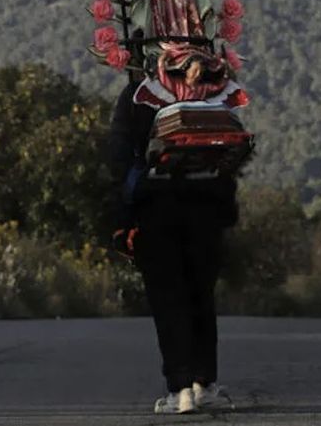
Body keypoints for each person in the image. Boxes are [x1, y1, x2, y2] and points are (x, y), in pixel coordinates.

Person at [109, 50, 240, 415]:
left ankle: (179, 388)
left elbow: (120, 156)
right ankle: (205, 383)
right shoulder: (216, 88)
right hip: (207, 210)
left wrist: (124, 216)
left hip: (157, 210)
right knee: (201, 296)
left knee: (169, 301)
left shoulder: (139, 95)